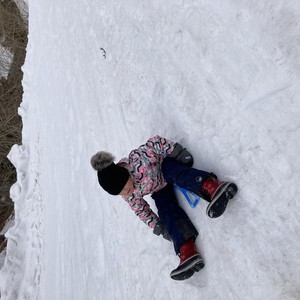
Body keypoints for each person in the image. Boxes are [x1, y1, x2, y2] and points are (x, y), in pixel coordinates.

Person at [90, 135, 237, 280]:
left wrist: (177, 152)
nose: (125, 193)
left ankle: (212, 186)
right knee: (166, 210)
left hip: (164, 166)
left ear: (125, 174)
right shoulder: (129, 195)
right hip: (159, 188)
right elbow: (141, 210)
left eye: (124, 187)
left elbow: (155, 143)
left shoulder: (138, 161)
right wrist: (159, 227)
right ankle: (186, 249)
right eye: (120, 193)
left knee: (178, 173)